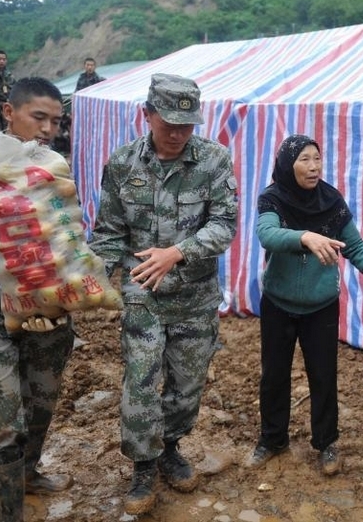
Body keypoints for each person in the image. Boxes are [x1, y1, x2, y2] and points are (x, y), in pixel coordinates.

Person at [90, 73, 238, 516]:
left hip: (195, 295)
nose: (177, 134)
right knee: (140, 381)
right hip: (143, 295)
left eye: (187, 124)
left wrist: (178, 252)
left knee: (187, 386)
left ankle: (170, 446)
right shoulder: (121, 164)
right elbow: (109, 233)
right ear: (147, 114)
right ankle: (143, 464)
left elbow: (225, 225)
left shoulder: (214, 160)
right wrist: (90, 284)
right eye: (168, 122)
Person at [249, 134, 363, 476]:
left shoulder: (331, 201)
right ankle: (272, 439)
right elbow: (267, 235)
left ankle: (326, 443)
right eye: (304, 160)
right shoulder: (273, 198)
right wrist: (304, 236)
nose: (313, 167)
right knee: (274, 374)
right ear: (286, 165)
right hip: (278, 303)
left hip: (321, 305)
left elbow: (353, 247)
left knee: (323, 376)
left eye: (317, 159)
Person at [0, 77, 75, 522]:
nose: (47, 129)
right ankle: (8, 514)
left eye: (56, 121)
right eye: (38, 117)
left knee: (39, 405)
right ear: (9, 112)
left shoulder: (52, 166)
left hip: (42, 309)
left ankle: (28, 472)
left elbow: (65, 241)